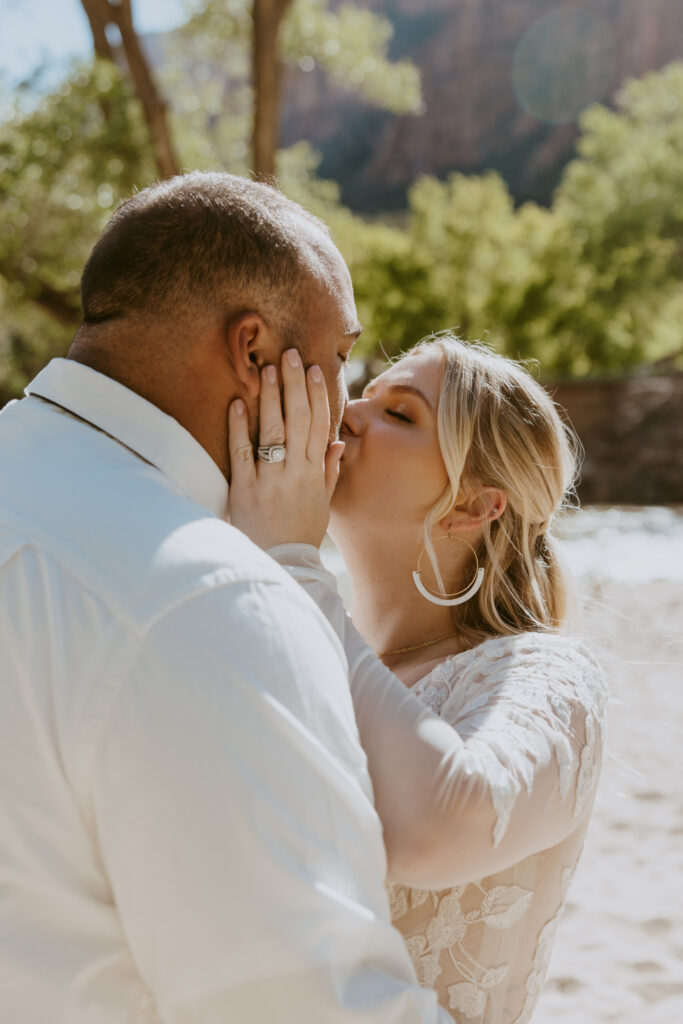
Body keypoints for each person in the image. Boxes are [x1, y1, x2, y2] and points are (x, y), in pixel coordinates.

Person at [0, 172, 469, 1023]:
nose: (339, 417)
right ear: (253, 353)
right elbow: (316, 1005)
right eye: (337, 360)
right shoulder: (205, 596)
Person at [227, 332, 608, 1023]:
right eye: (362, 394)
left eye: (398, 414)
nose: (344, 413)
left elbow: (436, 832)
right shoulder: (309, 646)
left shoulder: (544, 671)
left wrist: (289, 565)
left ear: (470, 506)